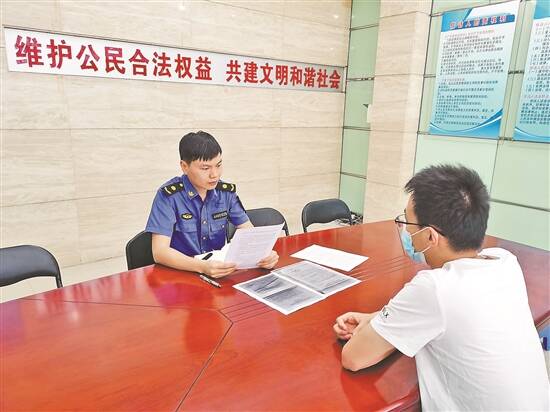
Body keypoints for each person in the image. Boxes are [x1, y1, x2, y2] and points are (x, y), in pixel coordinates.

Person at [333, 165, 549, 410]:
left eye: (408, 222)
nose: (406, 231)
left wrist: (382, 327)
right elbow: (448, 315)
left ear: (430, 236)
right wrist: (378, 319)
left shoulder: (435, 289)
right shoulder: (505, 261)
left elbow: (354, 358)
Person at [145, 131, 278, 278]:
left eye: (218, 165)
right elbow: (160, 252)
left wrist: (265, 254)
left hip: (218, 274)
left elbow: (249, 232)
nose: (215, 174)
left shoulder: (225, 193)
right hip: (180, 276)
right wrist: (202, 267)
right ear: (184, 166)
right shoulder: (168, 196)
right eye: (205, 168)